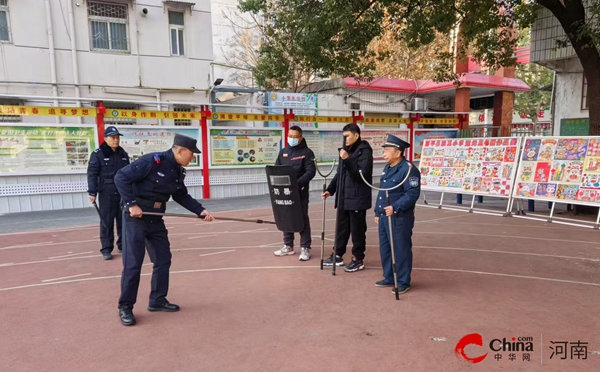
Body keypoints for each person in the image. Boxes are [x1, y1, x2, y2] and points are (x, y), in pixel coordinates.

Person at [114, 134, 214, 326]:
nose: (192, 159)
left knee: (163, 259)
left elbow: (180, 195)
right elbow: (121, 177)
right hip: (136, 217)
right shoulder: (152, 161)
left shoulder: (177, 170)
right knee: (133, 263)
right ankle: (125, 306)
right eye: (191, 155)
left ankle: (157, 299)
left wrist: (200, 210)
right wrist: (132, 204)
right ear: (180, 150)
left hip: (156, 218)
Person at [322, 123, 373, 272]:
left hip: (357, 198)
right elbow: (340, 174)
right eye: (343, 136)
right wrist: (330, 190)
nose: (344, 139)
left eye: (347, 136)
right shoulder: (345, 151)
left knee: (357, 230)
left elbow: (360, 175)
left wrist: (347, 159)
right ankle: (337, 255)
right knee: (341, 228)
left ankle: (358, 258)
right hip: (343, 197)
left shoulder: (364, 152)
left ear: (356, 135)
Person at [374, 134, 421, 294]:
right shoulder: (388, 167)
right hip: (384, 216)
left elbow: (412, 194)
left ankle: (403, 281)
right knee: (385, 248)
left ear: (398, 152)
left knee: (401, 249)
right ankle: (389, 277)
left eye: (387, 150)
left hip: (399, 217)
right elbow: (382, 192)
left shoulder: (409, 170)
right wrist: (377, 211)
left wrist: (395, 207)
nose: (384, 153)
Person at [273, 125, 316, 261]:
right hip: (284, 193)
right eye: (290, 136)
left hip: (300, 192)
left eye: (294, 136)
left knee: (302, 218)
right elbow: (276, 170)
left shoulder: (307, 153)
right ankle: (288, 246)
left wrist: (297, 184)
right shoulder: (283, 152)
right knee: (286, 217)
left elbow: (310, 171)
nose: (291, 138)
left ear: (301, 137)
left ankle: (305, 247)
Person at [87, 126, 130, 260]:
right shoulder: (98, 154)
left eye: (117, 137)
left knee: (123, 220)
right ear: (105, 139)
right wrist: (92, 192)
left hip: (122, 193)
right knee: (107, 222)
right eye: (113, 137)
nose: (116, 140)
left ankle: (123, 245)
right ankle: (106, 248)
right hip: (106, 193)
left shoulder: (122, 153)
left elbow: (129, 173)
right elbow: (92, 174)